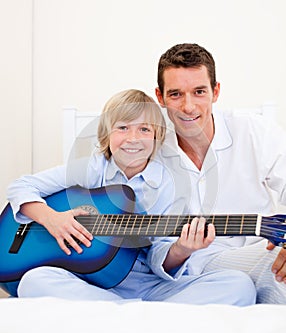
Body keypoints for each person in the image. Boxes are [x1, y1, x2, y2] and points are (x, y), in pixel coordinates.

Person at [5, 89, 256, 305]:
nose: (133, 139)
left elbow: (160, 254)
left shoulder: (170, 183)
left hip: (148, 285)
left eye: (144, 129)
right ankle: (138, 315)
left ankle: (117, 313)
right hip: (88, 281)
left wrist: (181, 249)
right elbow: (21, 186)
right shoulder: (91, 168)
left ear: (157, 137)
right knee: (32, 281)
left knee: (239, 285)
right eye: (123, 128)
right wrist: (52, 219)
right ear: (106, 135)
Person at [148, 43, 286, 303]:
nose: (188, 107)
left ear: (216, 91)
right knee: (271, 267)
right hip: (198, 269)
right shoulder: (146, 151)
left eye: (199, 92)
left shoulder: (254, 131)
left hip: (262, 248)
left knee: (275, 262)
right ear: (160, 96)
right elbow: (154, 250)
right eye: (176, 94)